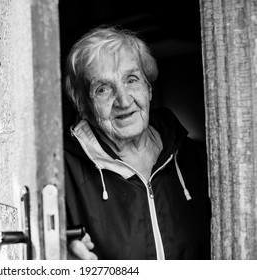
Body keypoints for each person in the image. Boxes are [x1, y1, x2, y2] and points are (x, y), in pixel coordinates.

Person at [64, 26, 211, 260]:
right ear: (83, 105)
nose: (123, 100)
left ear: (149, 88)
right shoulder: (62, 174)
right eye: (103, 89)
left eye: (131, 80)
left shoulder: (198, 159)